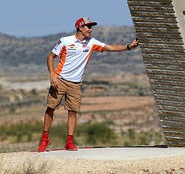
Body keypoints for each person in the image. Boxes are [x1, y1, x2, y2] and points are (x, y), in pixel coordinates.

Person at [37, 17, 139, 152]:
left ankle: (69, 141)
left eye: (91, 27)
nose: (90, 29)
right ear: (80, 27)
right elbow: (50, 57)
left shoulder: (92, 43)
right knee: (51, 108)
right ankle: (44, 139)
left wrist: (128, 47)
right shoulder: (65, 41)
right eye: (88, 27)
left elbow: (110, 47)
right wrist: (52, 75)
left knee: (72, 112)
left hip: (76, 83)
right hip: (60, 80)